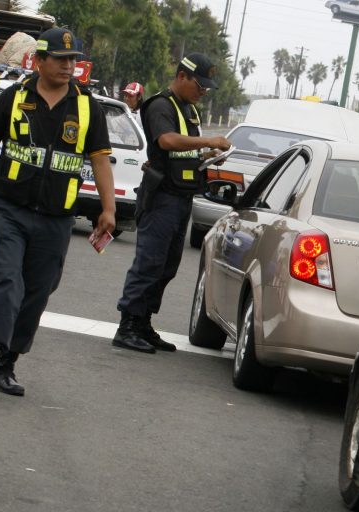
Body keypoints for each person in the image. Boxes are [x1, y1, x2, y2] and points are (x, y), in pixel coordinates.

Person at [0, 27, 116, 398]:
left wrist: (108, 209)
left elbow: (100, 162)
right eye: (62, 60)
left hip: (56, 218)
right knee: (4, 281)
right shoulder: (13, 99)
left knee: (36, 292)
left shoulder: (87, 107)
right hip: (11, 210)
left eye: (74, 60)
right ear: (39, 61)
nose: (69, 67)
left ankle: (8, 363)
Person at [113, 53, 232, 354]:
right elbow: (166, 141)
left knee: (167, 266)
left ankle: (143, 323)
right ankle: (127, 325)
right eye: (199, 84)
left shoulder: (188, 109)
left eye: (207, 86)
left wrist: (207, 156)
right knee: (149, 262)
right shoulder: (160, 105)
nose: (203, 91)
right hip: (161, 196)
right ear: (182, 76)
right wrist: (209, 142)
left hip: (180, 197)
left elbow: (181, 152)